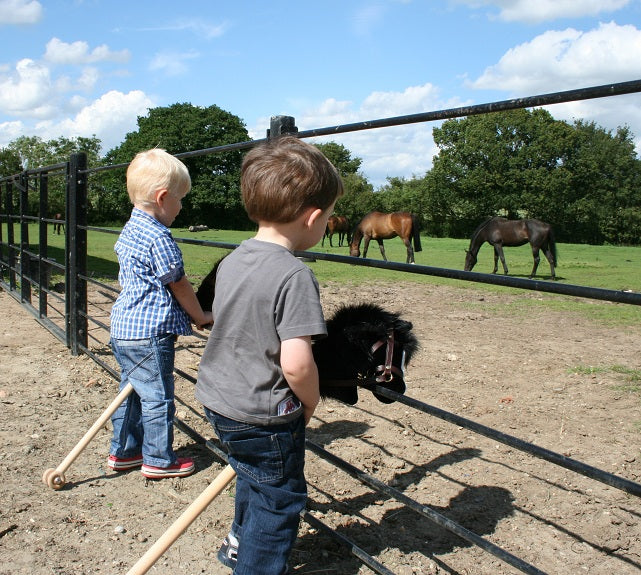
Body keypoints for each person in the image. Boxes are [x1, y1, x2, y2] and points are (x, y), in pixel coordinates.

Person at [196, 136, 343, 574]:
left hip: (219, 399)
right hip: (264, 414)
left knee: (252, 478)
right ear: (313, 218)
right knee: (279, 502)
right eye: (330, 218)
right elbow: (297, 363)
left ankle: (238, 547)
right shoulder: (294, 275)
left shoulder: (233, 259)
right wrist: (311, 400)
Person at [108, 148, 213, 480]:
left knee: (132, 392)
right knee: (158, 397)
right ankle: (157, 459)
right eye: (180, 199)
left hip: (124, 328)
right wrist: (199, 314)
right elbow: (178, 283)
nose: (182, 207)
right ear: (163, 197)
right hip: (150, 333)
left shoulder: (130, 228)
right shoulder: (159, 237)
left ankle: (123, 452)